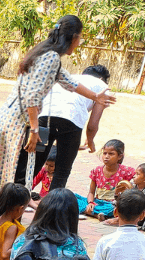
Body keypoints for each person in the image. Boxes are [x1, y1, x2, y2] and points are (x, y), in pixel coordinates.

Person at [0, 16, 114, 211]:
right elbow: (32, 97)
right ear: (73, 37)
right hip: (18, 120)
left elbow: (70, 83)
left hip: (9, 117)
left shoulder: (45, 54)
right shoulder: (50, 58)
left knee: (5, 175)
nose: (78, 44)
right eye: (80, 39)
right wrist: (34, 130)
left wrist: (95, 96)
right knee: (10, 176)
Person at [32, 63, 112, 191]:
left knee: (34, 164)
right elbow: (92, 124)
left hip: (43, 118)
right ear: (102, 79)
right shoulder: (102, 86)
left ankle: (16, 201)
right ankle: (52, 207)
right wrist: (89, 140)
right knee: (62, 171)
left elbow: (56, 116)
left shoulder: (71, 78)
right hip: (71, 123)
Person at [77, 139, 136, 221]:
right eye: (105, 153)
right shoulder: (97, 170)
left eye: (111, 154)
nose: (106, 156)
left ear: (119, 156)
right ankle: (96, 213)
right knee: (73, 197)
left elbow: (137, 182)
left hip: (112, 204)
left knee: (116, 209)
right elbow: (91, 192)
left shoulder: (127, 171)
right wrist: (91, 203)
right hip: (97, 202)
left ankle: (92, 213)